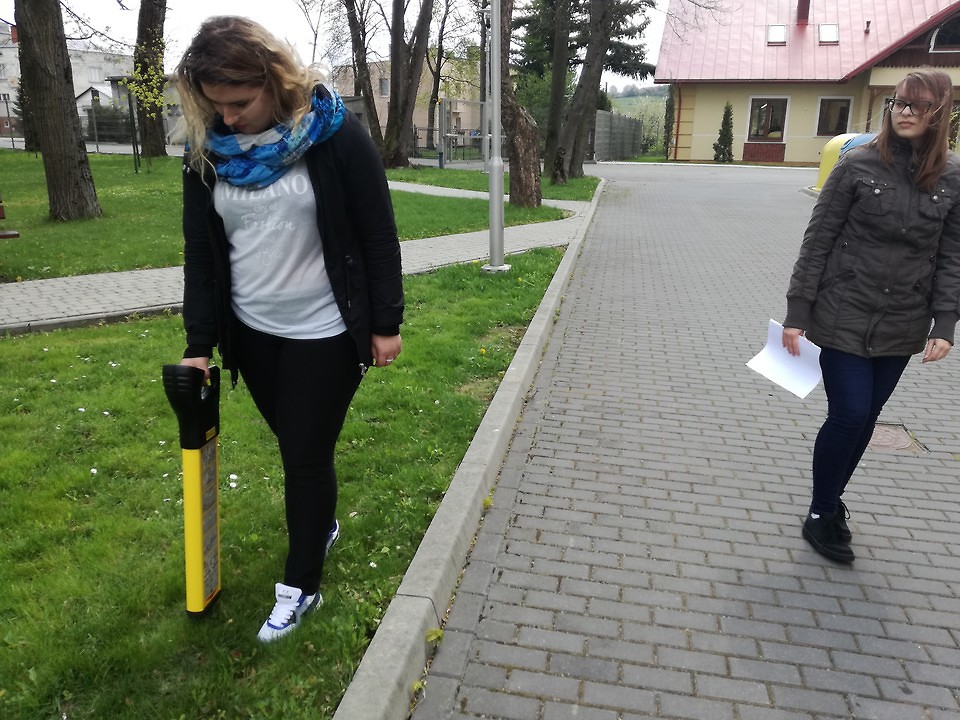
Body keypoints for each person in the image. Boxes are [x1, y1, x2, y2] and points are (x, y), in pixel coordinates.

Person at [174, 16, 404, 641]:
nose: (227, 119)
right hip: (251, 332)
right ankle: (320, 522)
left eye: (240, 103)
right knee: (300, 445)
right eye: (215, 106)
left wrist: (386, 322)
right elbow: (202, 255)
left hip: (326, 330)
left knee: (303, 455)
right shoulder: (207, 156)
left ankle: (301, 585)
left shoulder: (335, 136)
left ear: (275, 81)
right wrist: (199, 345)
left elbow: (378, 234)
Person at [783, 68, 960, 564]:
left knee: (866, 418)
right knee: (850, 413)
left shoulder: (952, 177)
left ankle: (831, 501)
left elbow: (951, 256)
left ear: (939, 113)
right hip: (843, 310)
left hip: (904, 320)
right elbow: (817, 241)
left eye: (917, 105)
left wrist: (945, 323)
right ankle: (820, 511)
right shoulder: (857, 165)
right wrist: (798, 312)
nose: (904, 112)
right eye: (899, 103)